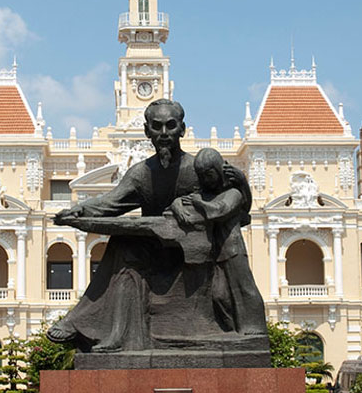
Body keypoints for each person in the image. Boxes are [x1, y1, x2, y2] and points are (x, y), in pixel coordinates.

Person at [47, 99, 260, 352]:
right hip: (155, 251)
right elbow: (110, 203)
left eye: (171, 126)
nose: (164, 133)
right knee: (122, 244)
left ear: (182, 129)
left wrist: (240, 184)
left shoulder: (198, 169)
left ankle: (247, 323)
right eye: (157, 127)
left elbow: (235, 204)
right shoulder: (141, 173)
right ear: (147, 131)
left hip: (195, 253)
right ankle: (95, 326)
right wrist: (80, 210)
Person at [173, 148, 266, 336]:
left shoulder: (233, 193)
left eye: (209, 174)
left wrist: (198, 203)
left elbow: (218, 211)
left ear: (218, 170)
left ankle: (254, 330)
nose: (206, 180)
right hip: (215, 253)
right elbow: (178, 201)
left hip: (233, 251)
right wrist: (178, 208)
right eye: (202, 176)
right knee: (219, 295)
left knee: (245, 289)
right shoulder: (205, 195)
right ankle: (232, 331)